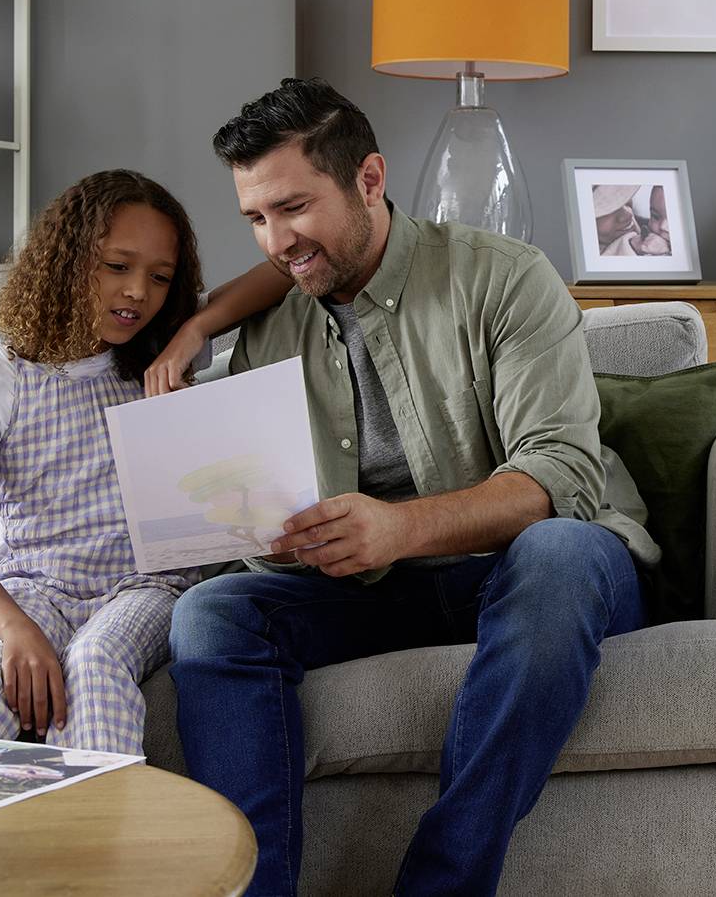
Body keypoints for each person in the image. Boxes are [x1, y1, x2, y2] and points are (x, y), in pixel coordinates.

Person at [152, 78, 656, 897]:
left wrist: (398, 526)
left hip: (531, 571)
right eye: (255, 217)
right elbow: (259, 503)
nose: (276, 240)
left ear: (370, 181)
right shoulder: (271, 326)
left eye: (293, 208)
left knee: (561, 551)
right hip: (374, 588)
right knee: (212, 614)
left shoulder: (504, 279)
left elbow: (560, 471)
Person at [0, 169, 258, 754]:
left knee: (94, 662)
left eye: (160, 277)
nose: (139, 292)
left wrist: (193, 330)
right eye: (117, 266)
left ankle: (100, 841)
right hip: (32, 589)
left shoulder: (156, 365)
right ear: (65, 260)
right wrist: (15, 628)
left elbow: (278, 276)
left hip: (144, 588)